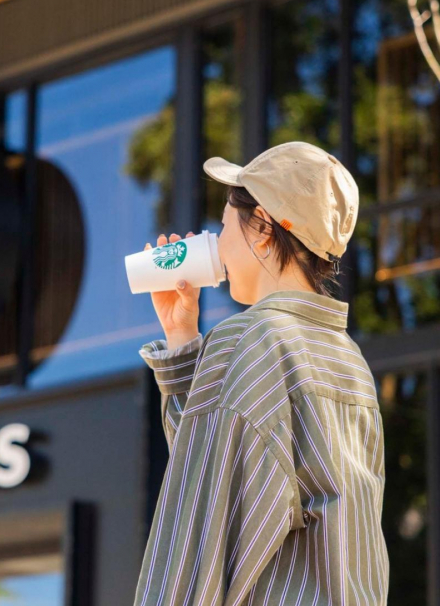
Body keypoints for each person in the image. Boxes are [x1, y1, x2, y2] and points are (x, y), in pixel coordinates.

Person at [133, 141, 389, 606]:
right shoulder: (349, 361)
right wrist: (182, 337)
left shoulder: (251, 337)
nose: (219, 242)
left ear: (265, 228)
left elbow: (199, 526)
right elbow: (232, 473)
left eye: (226, 226)